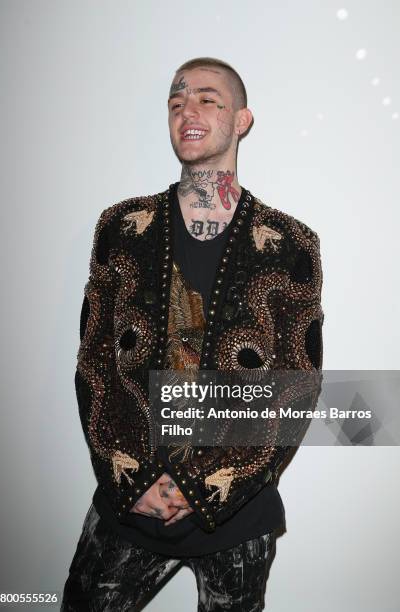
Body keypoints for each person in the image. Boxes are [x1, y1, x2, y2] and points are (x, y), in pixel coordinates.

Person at [61, 57, 324, 611]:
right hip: (130, 498)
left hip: (237, 510)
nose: (188, 110)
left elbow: (296, 386)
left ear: (242, 120)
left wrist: (204, 485)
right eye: (177, 101)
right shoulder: (121, 228)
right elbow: (94, 365)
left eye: (208, 98)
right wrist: (127, 478)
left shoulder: (290, 243)